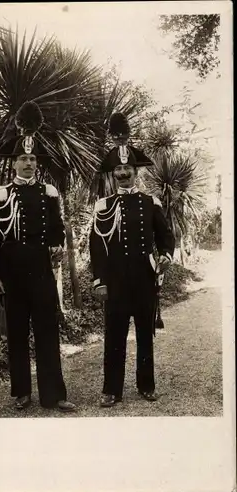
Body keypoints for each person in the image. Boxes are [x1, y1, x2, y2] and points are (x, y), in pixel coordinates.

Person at [0, 101, 76, 412]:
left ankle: (55, 395)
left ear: (38, 163)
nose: (28, 163)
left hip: (40, 272)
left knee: (48, 332)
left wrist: (57, 245)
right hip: (11, 275)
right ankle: (22, 392)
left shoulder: (48, 193)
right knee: (18, 334)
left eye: (32, 159)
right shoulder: (1, 194)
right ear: (14, 163)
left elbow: (57, 228)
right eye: (22, 159)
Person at [89, 112, 175, 407]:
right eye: (118, 170)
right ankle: (111, 390)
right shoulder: (104, 205)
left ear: (136, 171)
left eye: (128, 168)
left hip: (144, 278)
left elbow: (166, 236)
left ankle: (146, 385)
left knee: (145, 334)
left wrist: (165, 256)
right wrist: (99, 280)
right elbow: (96, 247)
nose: (123, 173)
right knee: (114, 336)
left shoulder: (151, 202)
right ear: (112, 174)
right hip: (114, 282)